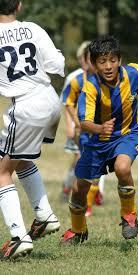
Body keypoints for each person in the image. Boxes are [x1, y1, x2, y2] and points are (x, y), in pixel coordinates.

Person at [61, 35, 138, 244]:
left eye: (112, 60)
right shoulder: (90, 88)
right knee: (79, 189)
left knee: (123, 167)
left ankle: (129, 216)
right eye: (102, 62)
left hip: (128, 133)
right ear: (94, 64)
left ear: (119, 60)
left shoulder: (131, 73)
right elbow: (84, 122)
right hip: (97, 141)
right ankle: (78, 230)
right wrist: (99, 127)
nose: (108, 66)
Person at [0, 0, 65, 259]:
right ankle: (45, 216)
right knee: (21, 158)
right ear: (19, 5)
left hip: (26, 106)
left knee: (2, 172)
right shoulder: (33, 29)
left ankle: (18, 237)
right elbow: (56, 64)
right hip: (49, 98)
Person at [61, 44, 105, 216]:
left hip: (102, 131)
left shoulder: (105, 80)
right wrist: (74, 124)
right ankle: (80, 202)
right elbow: (68, 102)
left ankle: (88, 201)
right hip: (84, 133)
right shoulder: (77, 80)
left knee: (98, 168)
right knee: (85, 166)